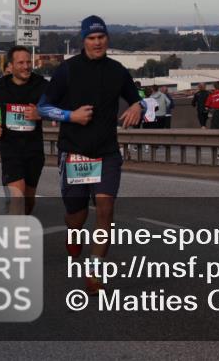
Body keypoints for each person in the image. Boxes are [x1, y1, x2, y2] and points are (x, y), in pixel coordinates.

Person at [37, 15, 143, 293]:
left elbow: (136, 98)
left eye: (101, 37)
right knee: (77, 213)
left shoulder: (118, 70)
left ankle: (95, 270)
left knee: (106, 211)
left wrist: (137, 107)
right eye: (91, 38)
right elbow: (43, 107)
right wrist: (71, 115)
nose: (97, 43)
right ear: (83, 41)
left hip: (107, 151)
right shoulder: (67, 70)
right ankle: (73, 232)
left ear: (107, 39)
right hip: (74, 152)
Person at [0, 45, 46, 215]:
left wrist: (40, 113)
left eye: (28, 62)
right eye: (21, 63)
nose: (26, 66)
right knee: (18, 195)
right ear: (10, 66)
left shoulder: (41, 84)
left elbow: (57, 108)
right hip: (10, 147)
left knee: (28, 199)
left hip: (34, 149)